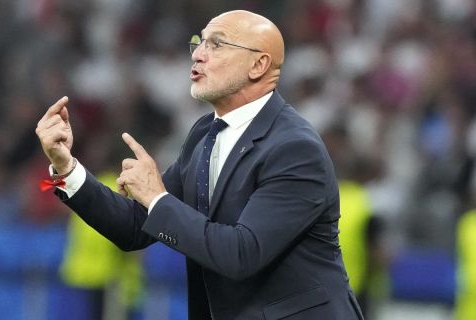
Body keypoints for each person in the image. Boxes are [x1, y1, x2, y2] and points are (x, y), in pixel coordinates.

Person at [36, 10, 364, 320]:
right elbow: (135, 227)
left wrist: (156, 198)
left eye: (216, 44)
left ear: (258, 65)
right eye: (199, 42)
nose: (197, 54)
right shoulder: (204, 133)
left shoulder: (294, 147)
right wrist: (66, 169)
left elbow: (240, 254)